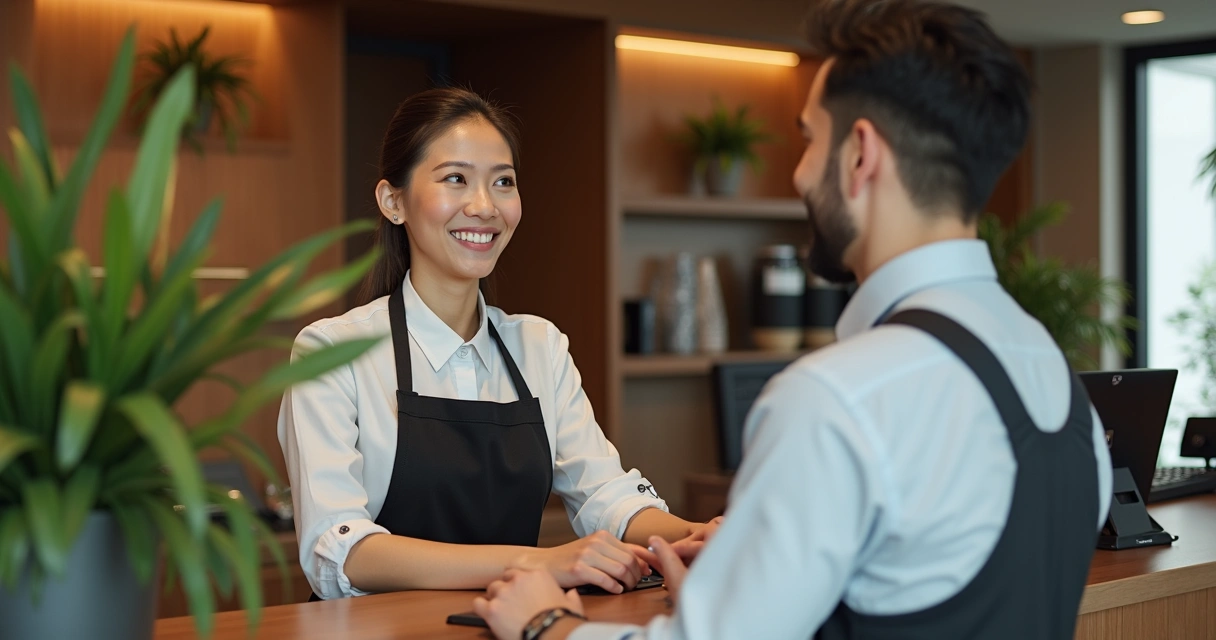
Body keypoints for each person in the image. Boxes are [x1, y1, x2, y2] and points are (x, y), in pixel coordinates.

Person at [473, 0, 1114, 638]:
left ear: (861, 154)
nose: (800, 172)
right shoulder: (1054, 376)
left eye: (808, 138)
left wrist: (545, 624)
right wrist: (745, 590)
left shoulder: (840, 397)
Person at [277, 87, 703, 600]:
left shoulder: (540, 347)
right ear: (394, 202)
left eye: (503, 182)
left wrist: (696, 537)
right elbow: (341, 551)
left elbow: (606, 494)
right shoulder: (331, 353)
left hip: (511, 625)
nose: (484, 207)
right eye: (455, 179)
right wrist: (538, 564)